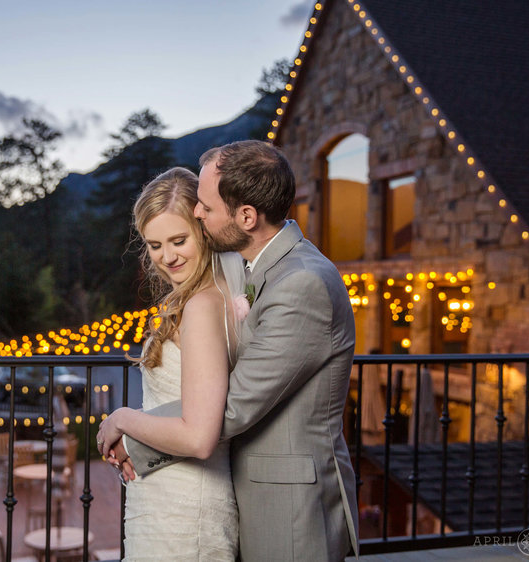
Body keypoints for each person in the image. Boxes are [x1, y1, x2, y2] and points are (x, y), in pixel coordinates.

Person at [99, 140, 360, 561]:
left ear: (246, 216)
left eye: (205, 206)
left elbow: (232, 405)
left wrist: (129, 429)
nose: (199, 214)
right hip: (245, 490)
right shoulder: (263, 273)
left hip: (290, 507)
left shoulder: (302, 283)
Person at [97, 166, 240, 560]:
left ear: (203, 231)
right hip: (167, 498)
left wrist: (122, 419)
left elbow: (199, 436)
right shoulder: (212, 296)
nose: (167, 256)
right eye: (155, 244)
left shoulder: (202, 306)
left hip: (183, 515)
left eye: (179, 240)